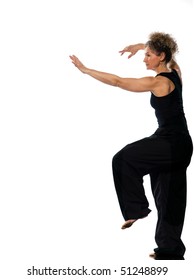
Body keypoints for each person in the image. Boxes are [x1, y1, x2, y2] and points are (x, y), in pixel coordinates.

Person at [69, 32, 193, 260]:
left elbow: (118, 81)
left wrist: (86, 70)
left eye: (148, 55)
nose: (144, 58)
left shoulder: (159, 82)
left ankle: (136, 209)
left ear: (161, 56)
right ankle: (170, 251)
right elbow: (163, 50)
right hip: (179, 143)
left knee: (124, 159)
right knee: (168, 198)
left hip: (171, 143)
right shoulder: (175, 70)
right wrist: (139, 46)